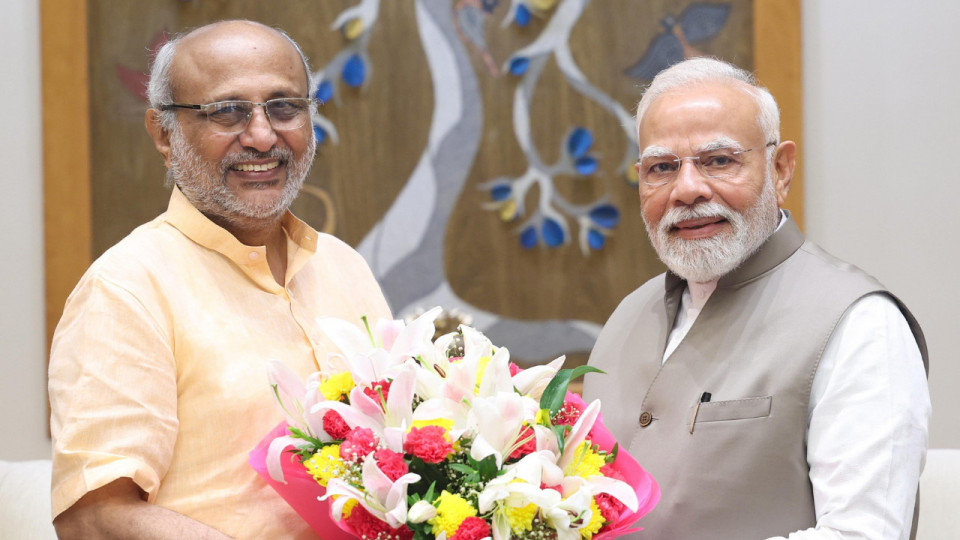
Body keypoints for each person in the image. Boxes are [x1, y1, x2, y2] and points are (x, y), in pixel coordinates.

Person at [48, 20, 390, 539]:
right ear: (164, 134)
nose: (261, 136)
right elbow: (94, 519)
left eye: (284, 107)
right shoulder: (126, 289)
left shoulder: (344, 266)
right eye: (226, 111)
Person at [582, 57, 930, 540]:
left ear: (780, 169)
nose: (687, 189)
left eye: (718, 161)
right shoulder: (627, 315)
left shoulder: (860, 324)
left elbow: (863, 533)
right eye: (662, 168)